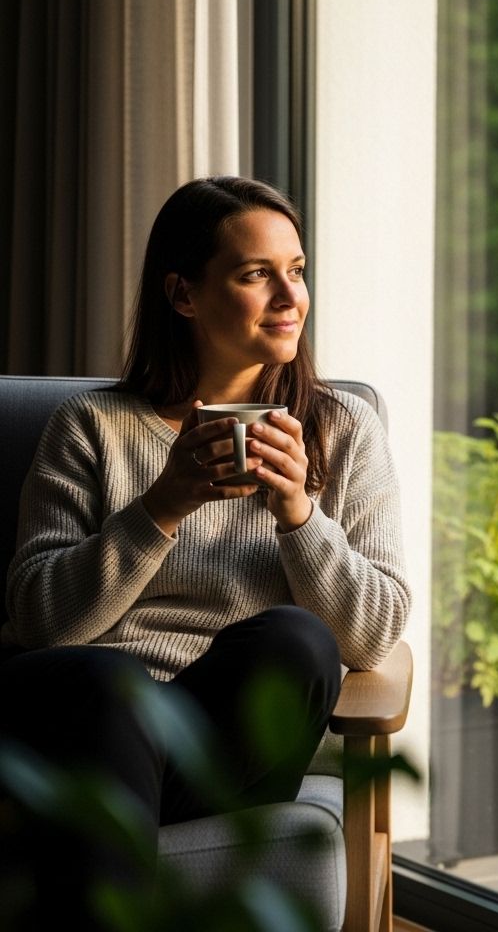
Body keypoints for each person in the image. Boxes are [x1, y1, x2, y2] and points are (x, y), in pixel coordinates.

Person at [0, 176, 410, 926]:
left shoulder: (344, 431)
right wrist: (164, 503)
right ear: (183, 295)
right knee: (104, 681)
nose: (291, 298)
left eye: (298, 270)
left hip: (223, 744)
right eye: (257, 275)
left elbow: (375, 634)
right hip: (86, 713)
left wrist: (299, 514)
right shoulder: (90, 426)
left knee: (298, 639)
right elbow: (39, 621)